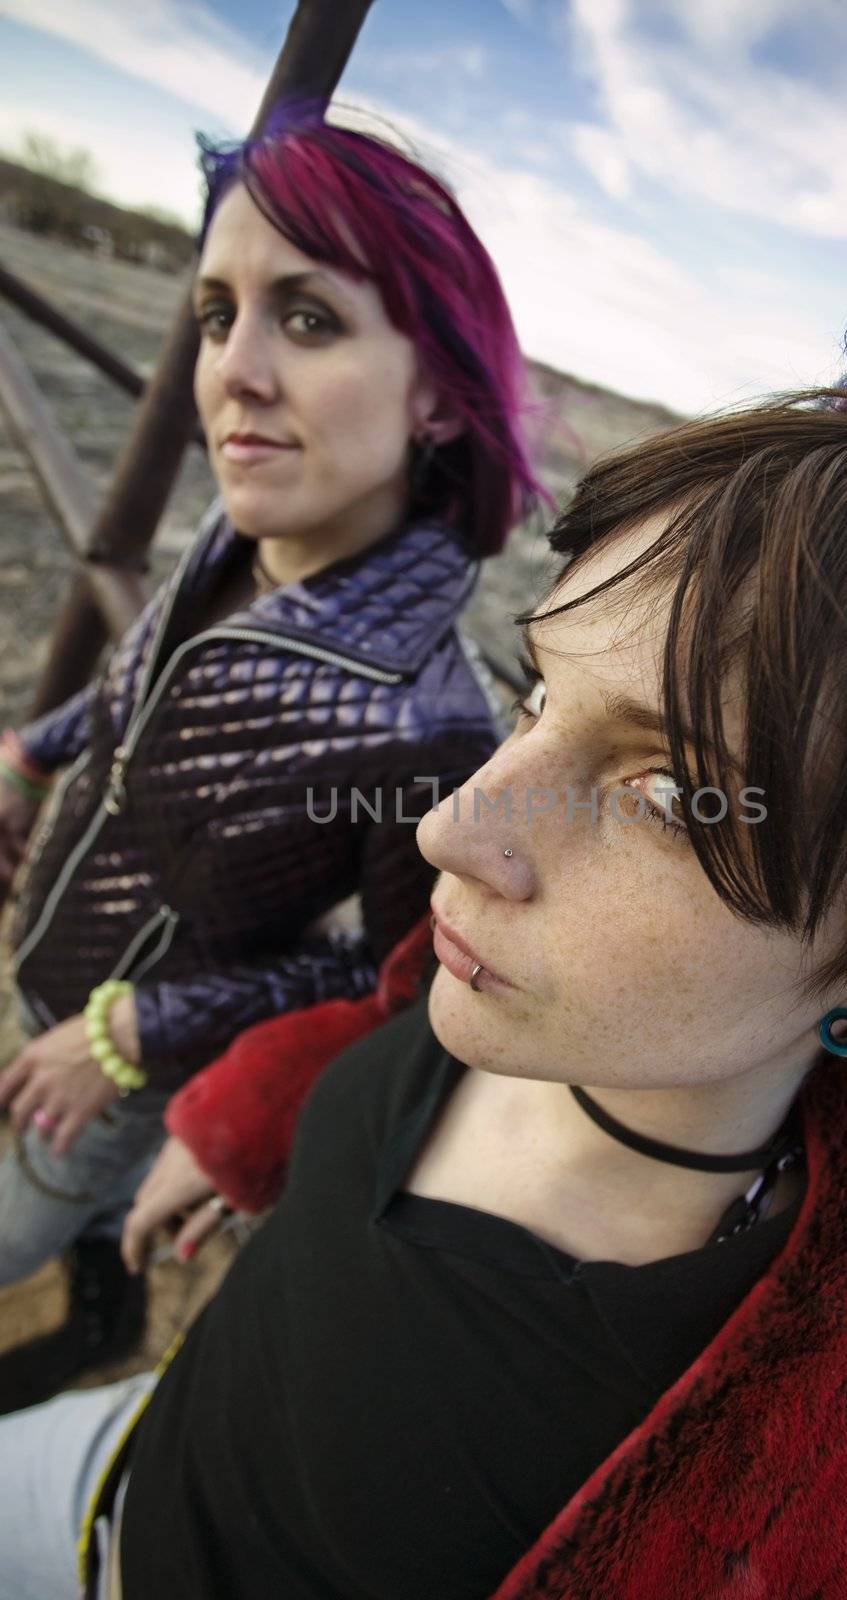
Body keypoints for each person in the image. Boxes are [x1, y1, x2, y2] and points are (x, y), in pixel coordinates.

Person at [2, 324, 847, 1600]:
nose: (452, 827)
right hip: (104, 1459)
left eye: (672, 790)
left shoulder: (786, 1500)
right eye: (535, 696)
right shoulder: (520, 993)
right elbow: (383, 1014)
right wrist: (248, 1119)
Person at [0, 101, 540, 1405]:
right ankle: (103, 1282)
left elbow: (393, 983)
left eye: (307, 319)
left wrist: (137, 1033)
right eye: (216, 314)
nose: (234, 372)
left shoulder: (431, 726)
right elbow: (140, 687)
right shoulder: (235, 540)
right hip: (39, 967)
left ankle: (89, 1277)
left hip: (107, 1077)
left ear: (438, 393)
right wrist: (35, 749)